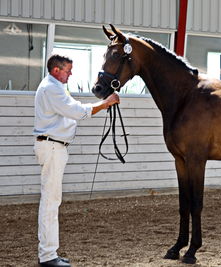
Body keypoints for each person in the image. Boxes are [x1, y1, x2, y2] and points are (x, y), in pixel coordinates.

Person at [33, 54, 119, 267]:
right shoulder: (51, 88)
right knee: (50, 202)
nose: (70, 74)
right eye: (67, 70)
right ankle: (47, 256)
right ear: (56, 70)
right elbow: (77, 111)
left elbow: (73, 108)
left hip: (55, 146)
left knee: (52, 201)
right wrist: (105, 103)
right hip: (52, 146)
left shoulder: (56, 87)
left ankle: (50, 253)